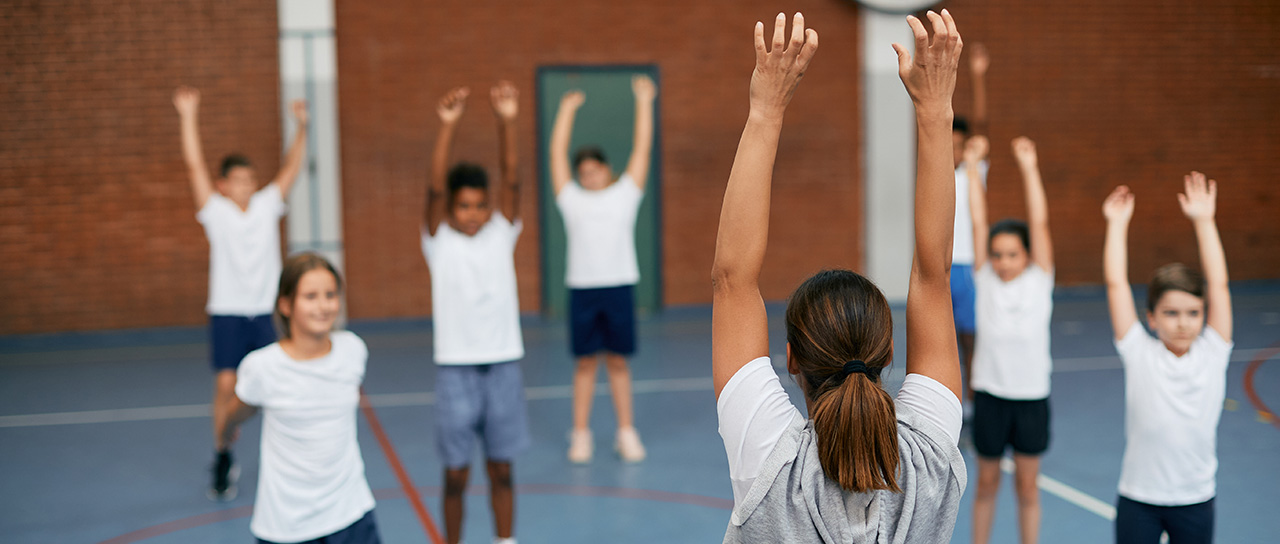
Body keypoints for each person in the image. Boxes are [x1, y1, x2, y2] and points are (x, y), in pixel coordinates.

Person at [711, 11, 967, 542]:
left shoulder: (770, 464)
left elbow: (733, 279)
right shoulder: (929, 462)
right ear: (889, 353)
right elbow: (934, 276)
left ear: (790, 360)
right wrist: (935, 111)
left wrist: (766, 111)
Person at [173, 86, 309, 501]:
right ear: (224, 185)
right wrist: (188, 115)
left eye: (252, 180)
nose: (247, 186)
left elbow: (291, 167)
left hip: (266, 315)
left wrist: (301, 126)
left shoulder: (268, 205)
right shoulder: (216, 213)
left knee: (279, 385)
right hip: (229, 313)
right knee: (226, 389)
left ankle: (291, 460)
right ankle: (223, 454)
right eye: (239, 181)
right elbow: (193, 164)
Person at [422, 82, 528, 544]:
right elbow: (431, 187)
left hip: (503, 365)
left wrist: (507, 122)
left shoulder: (501, 233)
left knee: (502, 469)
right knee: (456, 475)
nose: (472, 213)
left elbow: (512, 178)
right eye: (463, 205)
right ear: (450, 207)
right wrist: (447, 125)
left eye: (479, 206)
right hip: (455, 372)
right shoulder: (437, 242)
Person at [1103, 173, 1231, 544]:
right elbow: (1116, 283)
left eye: (1193, 313)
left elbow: (1219, 284)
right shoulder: (1139, 352)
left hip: (1195, 499)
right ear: (1152, 318)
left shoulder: (1214, 350)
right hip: (1139, 498)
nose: (1183, 323)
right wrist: (1116, 225)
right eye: (1171, 313)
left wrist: (1204, 221)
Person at [218, 253, 381, 544]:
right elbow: (236, 412)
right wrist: (227, 432)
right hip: (287, 526)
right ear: (285, 304)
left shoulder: (353, 351)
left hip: (351, 513)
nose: (323, 306)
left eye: (330, 295)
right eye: (310, 296)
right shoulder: (263, 367)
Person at [549, 74, 656, 463]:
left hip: (618, 287)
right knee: (584, 364)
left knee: (617, 361)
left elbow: (642, 149)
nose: (588, 177)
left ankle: (626, 432)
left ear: (606, 170)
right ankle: (581, 434)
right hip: (582, 288)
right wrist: (565, 111)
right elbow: (556, 155)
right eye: (583, 173)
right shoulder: (571, 199)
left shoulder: (624, 195)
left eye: (594, 170)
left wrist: (644, 101)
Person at [967, 136, 1055, 544]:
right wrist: (971, 168)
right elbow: (977, 220)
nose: (1003, 262)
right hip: (991, 395)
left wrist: (1028, 165)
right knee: (986, 484)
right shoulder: (984, 279)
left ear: (1028, 255)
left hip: (1031, 397)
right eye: (997, 254)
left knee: (1026, 486)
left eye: (1012, 254)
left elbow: (1038, 222)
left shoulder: (1040, 279)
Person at [952, 43, 989, 410]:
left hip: (969, 267)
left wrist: (977, 76)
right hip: (942, 265)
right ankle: (950, 402)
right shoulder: (934, 176)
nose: (955, 151)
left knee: (970, 338)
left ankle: (974, 403)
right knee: (941, 339)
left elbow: (981, 126)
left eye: (960, 145)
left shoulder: (975, 171)